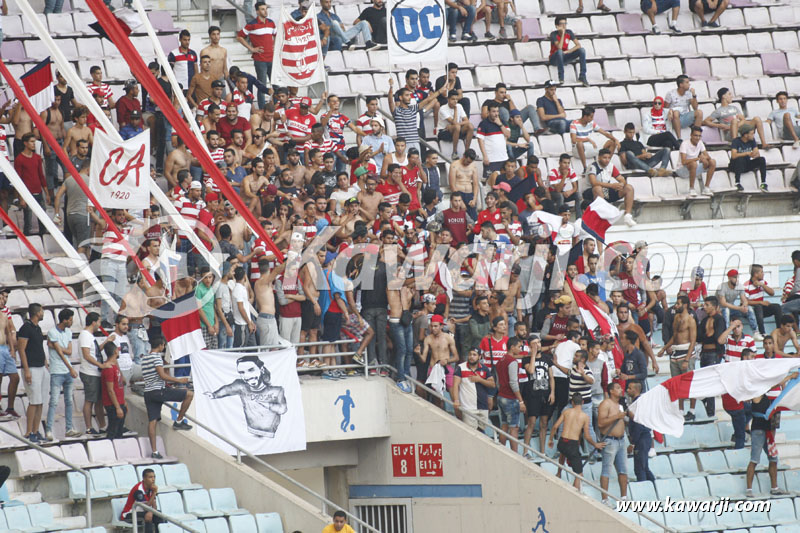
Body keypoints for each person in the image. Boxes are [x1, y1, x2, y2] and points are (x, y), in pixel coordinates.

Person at [142, 337, 193, 459]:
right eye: (163, 345)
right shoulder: (156, 357)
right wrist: (179, 380)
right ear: (160, 345)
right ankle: (179, 421)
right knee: (189, 394)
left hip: (148, 392)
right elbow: (162, 375)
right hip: (158, 391)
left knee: (152, 421)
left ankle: (154, 451)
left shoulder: (145, 358)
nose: (164, 347)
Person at [548, 392, 605, 489]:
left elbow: (555, 427)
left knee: (563, 453)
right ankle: (576, 492)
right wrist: (595, 444)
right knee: (579, 475)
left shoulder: (566, 412)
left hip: (562, 442)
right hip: (572, 444)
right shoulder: (585, 416)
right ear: (582, 402)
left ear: (572, 403)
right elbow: (587, 436)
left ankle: (558, 473)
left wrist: (550, 440)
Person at [45, 309, 81, 442]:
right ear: (65, 320)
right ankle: (48, 429)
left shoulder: (68, 332)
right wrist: (70, 368)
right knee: (54, 401)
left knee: (69, 401)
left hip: (66, 371)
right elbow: (61, 353)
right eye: (70, 319)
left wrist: (55, 346)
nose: (72, 322)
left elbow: (69, 351)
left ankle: (69, 428)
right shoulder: (52, 332)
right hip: (57, 371)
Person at [657, 295, 697, 414]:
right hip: (675, 353)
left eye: (678, 304)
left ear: (685, 305)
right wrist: (664, 348)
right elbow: (674, 337)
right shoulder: (676, 318)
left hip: (685, 353)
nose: (676, 306)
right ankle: (680, 411)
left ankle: (692, 410)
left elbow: (693, 341)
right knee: (677, 383)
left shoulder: (691, 320)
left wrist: (686, 359)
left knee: (689, 383)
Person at [745, 393, 789, 498]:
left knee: (773, 459)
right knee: (754, 459)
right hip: (758, 431)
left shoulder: (764, 396)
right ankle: (749, 489)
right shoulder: (757, 395)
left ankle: (774, 488)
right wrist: (789, 377)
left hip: (768, 431)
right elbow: (774, 385)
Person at [18, 303, 48, 443]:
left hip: (41, 366)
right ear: (37, 313)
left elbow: (39, 347)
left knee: (40, 400)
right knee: (34, 401)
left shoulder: (37, 328)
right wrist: (27, 370)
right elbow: (21, 349)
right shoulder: (26, 328)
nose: (43, 313)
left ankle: (36, 430)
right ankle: (29, 432)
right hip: (32, 368)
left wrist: (45, 361)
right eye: (42, 311)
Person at [585, 149, 637, 227]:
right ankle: (601, 217)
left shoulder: (611, 166)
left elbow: (621, 179)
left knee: (629, 188)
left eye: (609, 158)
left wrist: (621, 184)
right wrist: (612, 186)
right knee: (598, 188)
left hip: (606, 191)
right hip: (591, 192)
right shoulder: (593, 166)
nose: (607, 160)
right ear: (599, 158)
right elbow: (593, 183)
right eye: (604, 158)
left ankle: (627, 216)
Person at [80, 312, 112, 435]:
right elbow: (87, 355)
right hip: (89, 372)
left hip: (95, 372)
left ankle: (102, 426)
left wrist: (107, 341)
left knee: (99, 401)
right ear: (93, 322)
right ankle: (89, 428)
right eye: (98, 322)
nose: (99, 325)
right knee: (90, 400)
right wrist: (101, 365)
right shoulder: (85, 335)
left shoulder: (89, 336)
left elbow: (95, 351)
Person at [704, 87, 769, 148]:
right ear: (723, 96)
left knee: (757, 119)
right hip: (730, 132)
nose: (731, 96)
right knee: (734, 121)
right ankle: (735, 146)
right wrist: (718, 125)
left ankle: (764, 143)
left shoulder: (734, 108)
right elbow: (706, 121)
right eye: (729, 94)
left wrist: (736, 125)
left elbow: (743, 119)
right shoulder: (718, 111)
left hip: (738, 126)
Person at [597, 382, 629, 506]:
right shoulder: (606, 404)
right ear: (611, 391)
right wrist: (617, 416)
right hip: (610, 440)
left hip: (621, 439)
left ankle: (624, 497)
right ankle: (605, 499)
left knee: (623, 470)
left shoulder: (620, 405)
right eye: (617, 388)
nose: (621, 390)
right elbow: (600, 423)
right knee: (607, 470)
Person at [495, 337, 526, 453]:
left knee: (504, 426)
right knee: (514, 428)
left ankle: (501, 452)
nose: (520, 349)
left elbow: (497, 381)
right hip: (510, 398)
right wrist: (521, 401)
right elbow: (513, 383)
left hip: (501, 396)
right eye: (518, 346)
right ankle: (515, 455)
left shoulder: (500, 360)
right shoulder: (512, 361)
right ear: (512, 347)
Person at [696, 296, 726, 418]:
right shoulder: (704, 320)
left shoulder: (719, 319)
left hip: (714, 353)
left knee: (711, 381)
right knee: (705, 381)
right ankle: (707, 405)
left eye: (707, 304)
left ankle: (710, 411)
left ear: (714, 306)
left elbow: (717, 337)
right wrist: (708, 336)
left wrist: (707, 336)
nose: (704, 306)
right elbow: (699, 337)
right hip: (704, 353)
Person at [14, 133, 49, 235]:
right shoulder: (19, 159)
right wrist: (21, 197)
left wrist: (46, 193)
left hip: (38, 191)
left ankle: (42, 239)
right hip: (27, 193)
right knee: (28, 221)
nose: (34, 144)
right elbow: (18, 179)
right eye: (32, 142)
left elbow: (41, 175)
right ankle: (27, 241)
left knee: (43, 219)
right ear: (25, 143)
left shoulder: (37, 157)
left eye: (34, 142)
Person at [452, 348, 494, 432]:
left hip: (483, 406)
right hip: (468, 407)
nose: (471, 357)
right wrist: (456, 400)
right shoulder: (461, 367)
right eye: (470, 354)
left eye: (474, 355)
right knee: (472, 433)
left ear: (479, 357)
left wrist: (480, 380)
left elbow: (492, 384)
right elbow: (455, 385)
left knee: (481, 431)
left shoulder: (484, 368)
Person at [570, 107, 619, 172]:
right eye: (591, 117)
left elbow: (604, 132)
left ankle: (604, 166)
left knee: (612, 142)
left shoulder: (591, 123)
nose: (592, 118)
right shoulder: (574, 124)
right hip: (578, 150)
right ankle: (585, 168)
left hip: (590, 146)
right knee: (580, 144)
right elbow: (574, 140)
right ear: (585, 116)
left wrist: (615, 140)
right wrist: (587, 139)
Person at [745, 264, 783, 340]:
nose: (763, 274)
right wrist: (760, 302)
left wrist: (762, 285)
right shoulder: (746, 285)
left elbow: (772, 293)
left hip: (761, 310)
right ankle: (762, 333)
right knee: (758, 307)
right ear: (756, 274)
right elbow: (745, 302)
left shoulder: (762, 282)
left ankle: (780, 331)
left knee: (777, 307)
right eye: (761, 272)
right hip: (751, 312)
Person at [626, 381, 655, 482]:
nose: (627, 390)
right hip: (643, 437)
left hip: (641, 438)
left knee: (640, 468)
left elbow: (638, 423)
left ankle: (646, 490)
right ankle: (653, 487)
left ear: (636, 390)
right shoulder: (639, 402)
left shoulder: (638, 403)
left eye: (629, 388)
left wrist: (633, 443)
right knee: (644, 467)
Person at [676, 126, 717, 196]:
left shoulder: (700, 143)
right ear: (691, 135)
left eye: (699, 136)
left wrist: (704, 159)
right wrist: (698, 158)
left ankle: (706, 188)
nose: (697, 138)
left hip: (693, 168)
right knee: (694, 164)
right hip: (681, 170)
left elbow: (708, 156)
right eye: (695, 135)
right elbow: (684, 162)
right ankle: (691, 189)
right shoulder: (685, 144)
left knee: (712, 162)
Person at [548, 17, 588, 86]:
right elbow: (559, 47)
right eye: (561, 24)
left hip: (564, 56)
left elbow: (578, 45)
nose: (564, 26)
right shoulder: (553, 34)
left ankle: (582, 76)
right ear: (557, 26)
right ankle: (561, 77)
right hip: (554, 58)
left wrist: (569, 51)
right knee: (560, 52)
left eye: (565, 24)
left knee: (582, 50)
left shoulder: (569, 32)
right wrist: (563, 34)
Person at [121, 468, 162, 533]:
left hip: (143, 512)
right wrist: (154, 493)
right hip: (130, 514)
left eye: (154, 477)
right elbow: (145, 507)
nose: (153, 479)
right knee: (148, 516)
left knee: (159, 514)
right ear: (144, 479)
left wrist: (152, 511)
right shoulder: (138, 489)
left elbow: (154, 506)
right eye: (150, 477)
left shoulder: (151, 488)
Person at [717, 268, 758, 334]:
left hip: (732, 310)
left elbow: (744, 300)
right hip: (720, 310)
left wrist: (744, 306)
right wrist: (739, 308)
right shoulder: (722, 287)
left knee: (749, 309)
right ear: (729, 278)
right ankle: (726, 334)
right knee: (726, 310)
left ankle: (755, 332)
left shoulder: (740, 286)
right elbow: (723, 303)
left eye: (737, 277)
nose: (737, 279)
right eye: (734, 277)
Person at [729, 123, 768, 192]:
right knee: (739, 159)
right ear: (746, 135)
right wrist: (746, 153)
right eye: (752, 133)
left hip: (746, 164)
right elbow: (733, 155)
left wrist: (754, 154)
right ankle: (737, 183)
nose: (753, 135)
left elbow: (757, 153)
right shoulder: (736, 141)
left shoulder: (752, 140)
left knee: (762, 159)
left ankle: (763, 183)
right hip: (735, 166)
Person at [477, 102, 511, 176]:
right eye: (494, 111)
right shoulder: (483, 124)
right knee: (489, 182)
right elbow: (480, 141)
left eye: (497, 111)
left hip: (503, 158)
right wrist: (485, 156)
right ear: (488, 112)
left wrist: (500, 124)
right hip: (491, 159)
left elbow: (508, 135)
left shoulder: (503, 122)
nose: (496, 114)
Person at [101, 343, 127, 440]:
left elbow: (120, 384)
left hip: (119, 403)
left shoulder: (114, 366)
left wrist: (123, 402)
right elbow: (110, 390)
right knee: (113, 432)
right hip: (113, 405)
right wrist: (117, 407)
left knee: (119, 432)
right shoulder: (108, 369)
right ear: (115, 351)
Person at [438, 90, 474, 159]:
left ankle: (467, 152)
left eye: (456, 99)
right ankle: (454, 152)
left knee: (470, 126)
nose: (455, 101)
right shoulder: (443, 108)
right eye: (453, 99)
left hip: (455, 129)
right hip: (443, 131)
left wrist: (457, 124)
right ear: (448, 99)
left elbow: (467, 121)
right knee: (457, 127)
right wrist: (455, 110)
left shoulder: (459, 106)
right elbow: (454, 122)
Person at [0, 290, 19, 418]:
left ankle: (10, 407)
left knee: (15, 377)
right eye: (1, 298)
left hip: (5, 348)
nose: (3, 301)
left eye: (4, 298)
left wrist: (12, 349)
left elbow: (9, 331)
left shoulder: (5, 313)